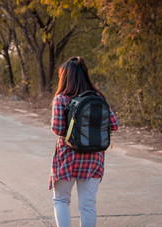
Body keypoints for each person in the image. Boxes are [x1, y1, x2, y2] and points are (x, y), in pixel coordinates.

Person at [50, 57, 119, 227]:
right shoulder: (98, 97)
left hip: (67, 157)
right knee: (88, 205)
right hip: (93, 157)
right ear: (85, 75)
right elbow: (114, 125)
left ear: (65, 77)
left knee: (61, 200)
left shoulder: (61, 99)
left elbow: (58, 129)